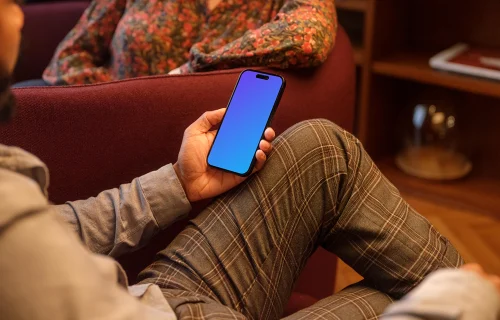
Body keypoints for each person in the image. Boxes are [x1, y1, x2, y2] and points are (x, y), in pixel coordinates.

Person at [1, 1, 499, 319]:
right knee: (444, 293)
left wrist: (177, 184)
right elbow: (67, 59)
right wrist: (467, 300)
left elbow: (57, 227)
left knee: (325, 149)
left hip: (143, 294)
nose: (19, 13)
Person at [34, 0, 336, 86]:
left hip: (211, 149)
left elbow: (308, 37)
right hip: (108, 123)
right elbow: (69, 56)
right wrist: (113, 98)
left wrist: (192, 69)